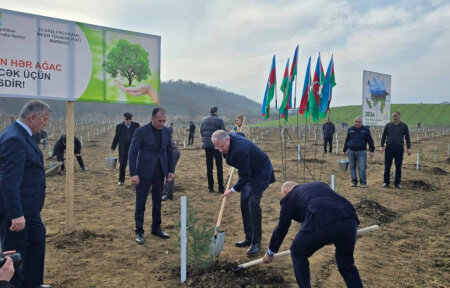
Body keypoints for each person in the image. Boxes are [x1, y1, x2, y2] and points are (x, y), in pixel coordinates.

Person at [263, 181, 363, 288]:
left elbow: (282, 227)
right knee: (346, 265)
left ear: (285, 191)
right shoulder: (320, 184)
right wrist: (331, 235)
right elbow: (330, 205)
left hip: (321, 219)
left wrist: (270, 252)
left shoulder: (289, 197)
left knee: (297, 252)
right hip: (349, 218)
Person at [0, 99, 51, 287]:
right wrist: (16, 215)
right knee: (16, 257)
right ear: (33, 117)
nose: (46, 124)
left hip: (30, 211)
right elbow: (9, 181)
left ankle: (33, 284)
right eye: (44, 119)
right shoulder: (14, 138)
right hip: (17, 214)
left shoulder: (24, 134)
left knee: (37, 241)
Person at [213, 130, 275, 255]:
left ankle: (256, 242)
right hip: (249, 170)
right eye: (217, 147)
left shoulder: (239, 151)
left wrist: (232, 190)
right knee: (244, 203)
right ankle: (249, 237)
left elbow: (245, 176)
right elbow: (240, 134)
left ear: (228, 140)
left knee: (253, 203)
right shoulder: (231, 135)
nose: (220, 150)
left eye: (222, 146)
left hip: (260, 172)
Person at [129, 107, 174, 244]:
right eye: (159, 121)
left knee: (157, 201)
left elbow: (169, 152)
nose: (162, 123)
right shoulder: (141, 131)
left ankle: (156, 227)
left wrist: (170, 170)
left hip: (160, 172)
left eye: (164, 121)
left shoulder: (167, 131)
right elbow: (132, 153)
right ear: (152, 118)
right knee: (141, 202)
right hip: (143, 172)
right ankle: (139, 231)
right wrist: (133, 173)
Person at [380, 111, 411, 189]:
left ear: (399, 117)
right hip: (389, 148)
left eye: (396, 116)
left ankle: (397, 183)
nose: (394, 118)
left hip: (399, 149)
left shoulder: (404, 126)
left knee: (398, 166)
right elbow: (383, 136)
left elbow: (407, 137)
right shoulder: (388, 125)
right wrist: (381, 146)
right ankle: (386, 182)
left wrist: (408, 148)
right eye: (393, 116)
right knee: (387, 166)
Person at [343, 116, 375, 188]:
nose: (357, 123)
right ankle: (354, 181)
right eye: (356, 121)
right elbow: (347, 140)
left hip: (361, 152)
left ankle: (363, 182)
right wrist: (344, 150)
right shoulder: (350, 129)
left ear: (361, 122)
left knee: (362, 167)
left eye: (359, 122)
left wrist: (372, 150)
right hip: (351, 151)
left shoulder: (365, 130)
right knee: (352, 167)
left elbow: (370, 141)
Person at [200, 107, 225, 193]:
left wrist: (206, 141)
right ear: (216, 111)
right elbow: (223, 133)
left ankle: (210, 187)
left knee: (209, 167)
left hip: (207, 146)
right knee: (219, 167)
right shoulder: (219, 120)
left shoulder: (204, 120)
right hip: (216, 146)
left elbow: (201, 132)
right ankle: (221, 188)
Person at [111, 112, 140, 186]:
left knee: (134, 164)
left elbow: (140, 137)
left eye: (129, 120)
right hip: (123, 149)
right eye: (126, 120)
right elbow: (116, 137)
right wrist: (113, 147)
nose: (128, 121)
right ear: (124, 119)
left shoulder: (136, 125)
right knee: (122, 164)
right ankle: (121, 180)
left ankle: (136, 180)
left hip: (133, 148)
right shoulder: (119, 127)